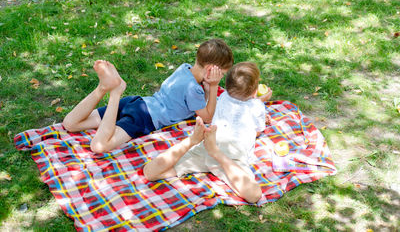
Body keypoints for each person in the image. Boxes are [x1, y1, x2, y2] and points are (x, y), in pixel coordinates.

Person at [62, 39, 234, 153]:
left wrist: (206, 86)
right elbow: (208, 117)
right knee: (99, 146)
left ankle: (102, 88)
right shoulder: (193, 90)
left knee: (70, 124)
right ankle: (115, 91)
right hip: (144, 118)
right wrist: (213, 86)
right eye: (222, 74)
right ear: (211, 70)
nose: (221, 77)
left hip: (137, 103)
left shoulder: (184, 68)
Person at [143, 62, 273, 203]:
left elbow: (149, 173)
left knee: (151, 172)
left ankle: (196, 143)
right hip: (232, 154)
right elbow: (258, 132)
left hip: (208, 144)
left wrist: (193, 141)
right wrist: (260, 104)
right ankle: (216, 154)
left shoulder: (222, 97)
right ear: (255, 91)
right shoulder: (258, 106)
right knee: (253, 194)